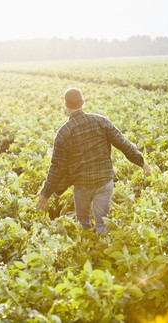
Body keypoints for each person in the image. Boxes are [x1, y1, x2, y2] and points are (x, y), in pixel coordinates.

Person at [36, 88, 151, 234]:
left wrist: (45, 193)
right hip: (104, 181)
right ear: (83, 102)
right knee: (103, 224)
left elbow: (57, 167)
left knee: (84, 224)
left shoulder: (64, 132)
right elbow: (123, 144)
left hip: (83, 186)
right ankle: (103, 247)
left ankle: (89, 250)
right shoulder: (100, 121)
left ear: (65, 105)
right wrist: (141, 162)